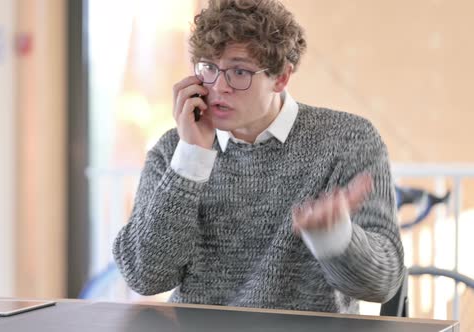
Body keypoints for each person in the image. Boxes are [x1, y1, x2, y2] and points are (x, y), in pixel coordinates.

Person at [113, 0, 404, 314]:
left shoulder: (348, 140)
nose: (218, 87)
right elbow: (144, 277)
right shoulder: (174, 150)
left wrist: (337, 238)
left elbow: (382, 285)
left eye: (239, 71)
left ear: (281, 78)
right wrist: (191, 160)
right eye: (208, 67)